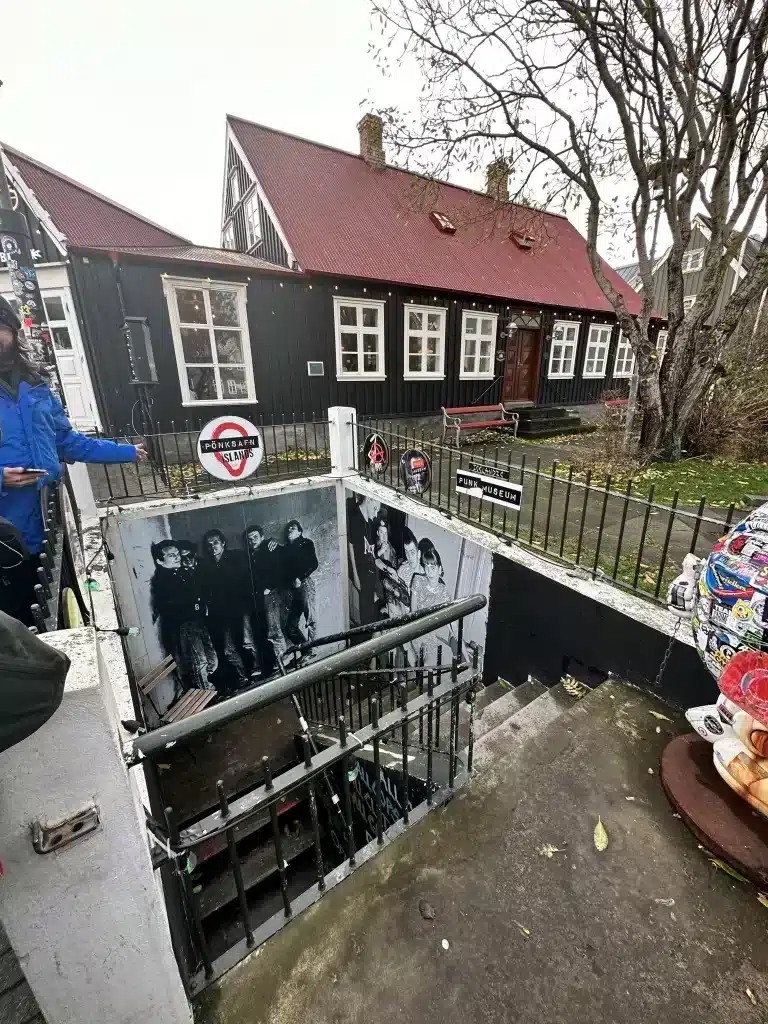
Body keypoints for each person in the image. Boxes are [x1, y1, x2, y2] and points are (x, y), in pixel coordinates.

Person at [0, 295, 144, 624]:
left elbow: (66, 441)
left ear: (11, 330)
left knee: (60, 613)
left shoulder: (37, 386)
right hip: (5, 536)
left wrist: (126, 452)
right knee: (18, 627)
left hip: (49, 524)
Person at [150, 540, 217, 692]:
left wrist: (198, 606)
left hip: (197, 621)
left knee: (212, 658)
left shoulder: (182, 572)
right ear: (160, 561)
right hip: (185, 625)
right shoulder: (163, 580)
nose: (178, 557)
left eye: (178, 554)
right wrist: (195, 605)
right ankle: (207, 694)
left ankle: (206, 686)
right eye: (172, 555)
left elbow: (197, 594)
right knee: (200, 661)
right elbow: (176, 605)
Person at [199, 529, 248, 693]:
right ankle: (241, 677)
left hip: (238, 610)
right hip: (219, 615)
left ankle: (247, 675)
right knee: (225, 648)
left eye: (216, 543)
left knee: (242, 643)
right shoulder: (206, 565)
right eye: (209, 544)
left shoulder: (234, 557)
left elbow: (243, 580)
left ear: (223, 543)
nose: (213, 546)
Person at [244, 523, 287, 672]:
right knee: (268, 631)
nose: (252, 540)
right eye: (250, 539)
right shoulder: (251, 555)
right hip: (260, 598)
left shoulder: (270, 547)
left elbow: (281, 567)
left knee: (274, 630)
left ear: (262, 537)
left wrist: (271, 587)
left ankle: (284, 661)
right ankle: (279, 661)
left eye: (255, 537)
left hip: (271, 595)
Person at [410, 542, 451, 667]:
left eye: (432, 567)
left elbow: (451, 623)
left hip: (430, 636)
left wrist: (464, 650)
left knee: (439, 660)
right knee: (423, 663)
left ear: (440, 568)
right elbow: (413, 612)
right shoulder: (418, 580)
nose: (429, 571)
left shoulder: (444, 592)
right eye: (426, 566)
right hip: (415, 629)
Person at [283, 519, 318, 648]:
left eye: (292, 528)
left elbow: (314, 564)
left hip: (305, 583)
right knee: (291, 627)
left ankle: (313, 648)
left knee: (310, 618)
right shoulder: (286, 549)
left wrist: (300, 577)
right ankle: (307, 650)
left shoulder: (306, 543)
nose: (289, 530)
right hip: (293, 589)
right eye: (288, 529)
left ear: (299, 532)